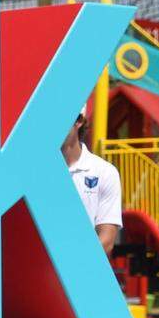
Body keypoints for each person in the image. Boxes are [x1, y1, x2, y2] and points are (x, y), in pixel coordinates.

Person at [63, 105, 122, 255]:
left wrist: (71, 262)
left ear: (79, 121)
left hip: (79, 273)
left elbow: (107, 240)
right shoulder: (38, 169)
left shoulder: (104, 172)